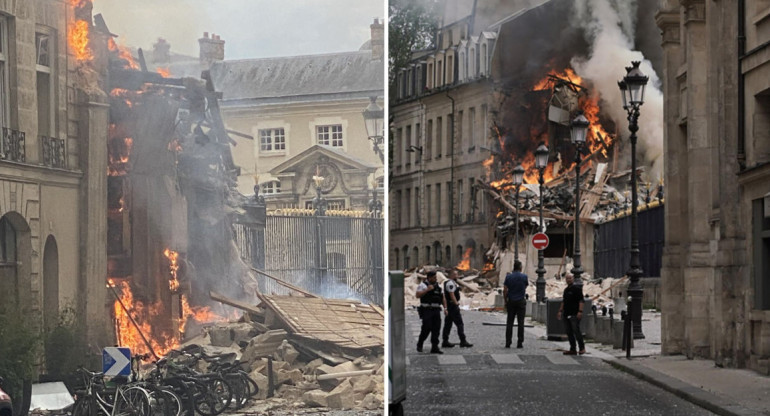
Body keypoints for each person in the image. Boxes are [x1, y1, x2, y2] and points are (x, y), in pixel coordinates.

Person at [416, 270, 447, 354]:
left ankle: (435, 347)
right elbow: (417, 295)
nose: (435, 279)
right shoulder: (423, 285)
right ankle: (420, 343)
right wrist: (427, 290)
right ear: (429, 278)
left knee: (436, 329)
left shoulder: (438, 286)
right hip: (427, 310)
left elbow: (442, 297)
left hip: (436, 310)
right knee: (426, 328)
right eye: (434, 278)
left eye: (436, 277)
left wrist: (445, 308)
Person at [441, 268, 473, 348]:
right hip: (452, 306)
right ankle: (463, 341)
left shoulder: (448, 282)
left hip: (449, 306)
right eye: (456, 274)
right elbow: (452, 294)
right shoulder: (450, 283)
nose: (457, 276)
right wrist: (456, 303)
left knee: (448, 324)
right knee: (459, 324)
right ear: (452, 275)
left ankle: (445, 341)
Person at [557, 272, 586, 355]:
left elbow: (581, 300)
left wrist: (580, 311)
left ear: (573, 279)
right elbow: (564, 301)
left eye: (570, 278)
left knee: (576, 331)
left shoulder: (577, 289)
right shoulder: (566, 290)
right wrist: (560, 311)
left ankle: (582, 348)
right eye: (567, 278)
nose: (568, 280)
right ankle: (572, 348)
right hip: (566, 313)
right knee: (569, 332)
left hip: (574, 313)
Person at [503, 260, 528, 348]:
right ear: (520, 268)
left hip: (511, 301)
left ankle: (508, 342)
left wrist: (505, 301)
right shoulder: (524, 276)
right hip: (521, 301)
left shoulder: (508, 277)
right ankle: (520, 342)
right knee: (521, 323)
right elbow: (525, 286)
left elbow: (505, 290)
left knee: (510, 322)